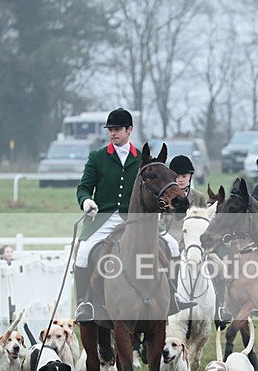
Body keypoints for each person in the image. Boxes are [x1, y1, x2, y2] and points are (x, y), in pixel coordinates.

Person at [73, 107, 195, 322]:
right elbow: (83, 187)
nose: (113, 133)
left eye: (117, 129)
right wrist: (86, 201)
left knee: (173, 246)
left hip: (136, 219)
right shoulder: (97, 157)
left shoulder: (142, 159)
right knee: (83, 253)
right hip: (104, 219)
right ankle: (85, 303)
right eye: (110, 130)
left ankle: (173, 296)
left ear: (129, 130)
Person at [165, 155, 208, 247]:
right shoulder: (165, 198)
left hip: (192, 243)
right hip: (170, 242)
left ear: (190, 177)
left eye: (184, 176)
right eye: (177, 177)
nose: (180, 180)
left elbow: (206, 224)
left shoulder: (199, 198)